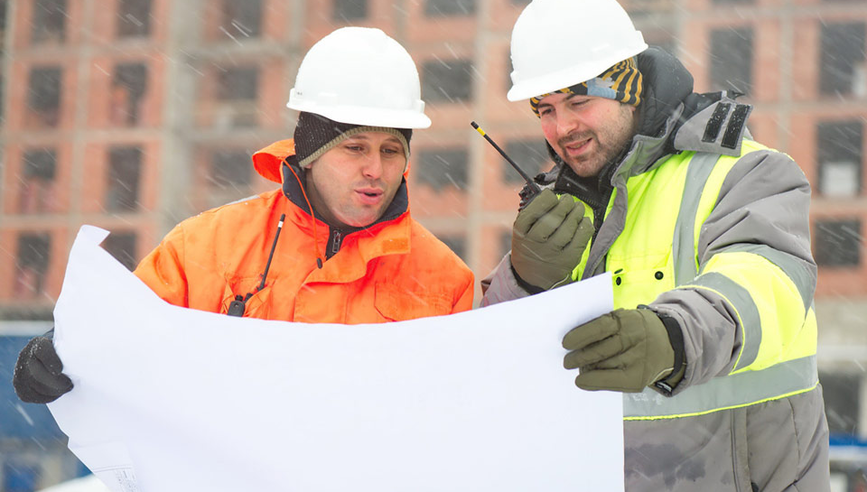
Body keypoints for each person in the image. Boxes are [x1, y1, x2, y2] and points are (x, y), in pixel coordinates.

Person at [14, 27, 474, 405]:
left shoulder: (444, 280)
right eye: (355, 148)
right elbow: (127, 330)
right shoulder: (207, 247)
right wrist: (62, 352)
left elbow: (458, 408)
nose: (376, 169)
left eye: (392, 150)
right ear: (311, 152)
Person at [482, 0, 830, 490]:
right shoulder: (559, 208)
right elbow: (496, 361)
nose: (562, 129)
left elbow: (766, 285)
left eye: (579, 101)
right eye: (546, 109)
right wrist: (522, 279)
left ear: (631, 87)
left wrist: (672, 336)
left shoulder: (748, 172)